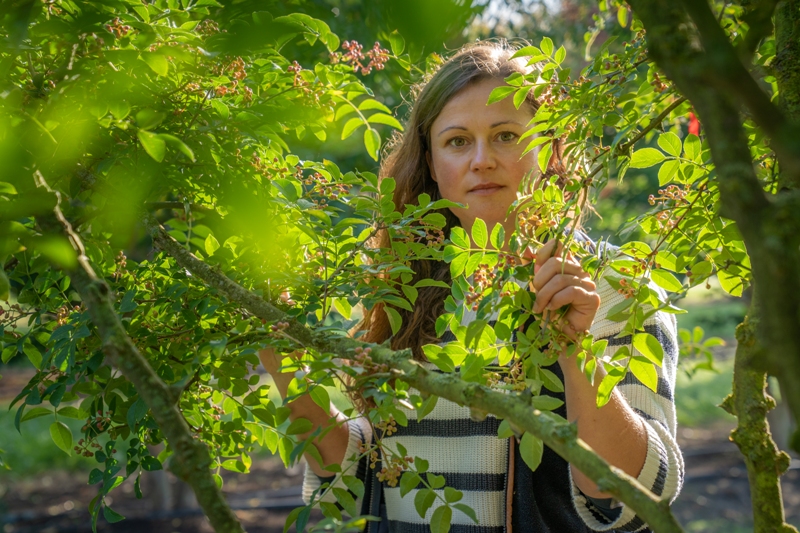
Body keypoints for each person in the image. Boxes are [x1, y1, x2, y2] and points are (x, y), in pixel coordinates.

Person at [259, 40, 683, 532]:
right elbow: (363, 479)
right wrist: (282, 358)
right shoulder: (405, 287)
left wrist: (575, 350)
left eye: (506, 135)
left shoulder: (619, 285)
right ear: (433, 166)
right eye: (457, 141)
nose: (481, 159)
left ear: (550, 148)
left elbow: (639, 494)